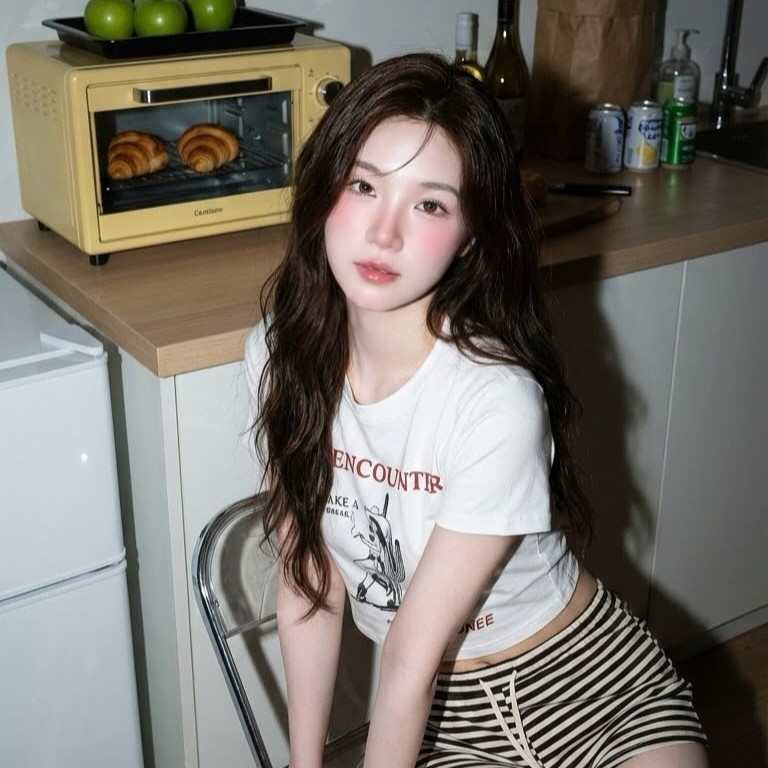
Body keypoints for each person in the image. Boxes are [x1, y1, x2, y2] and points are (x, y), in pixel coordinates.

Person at [244, 52, 708, 768]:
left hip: (594, 689)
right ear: (323, 188)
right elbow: (310, 580)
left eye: (429, 204)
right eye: (364, 185)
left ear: (468, 235)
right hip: (447, 723)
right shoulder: (279, 356)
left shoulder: (492, 397)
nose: (384, 233)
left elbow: (409, 653)